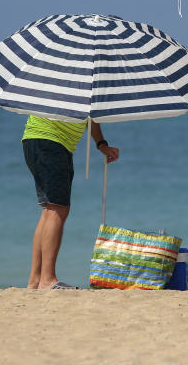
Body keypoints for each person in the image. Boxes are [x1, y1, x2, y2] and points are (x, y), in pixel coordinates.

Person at [22, 116, 119, 290]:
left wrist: (101, 144)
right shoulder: (83, 87)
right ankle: (47, 280)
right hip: (52, 142)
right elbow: (92, 112)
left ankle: (35, 280)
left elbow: (91, 116)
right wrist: (101, 144)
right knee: (58, 209)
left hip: (34, 139)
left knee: (49, 209)